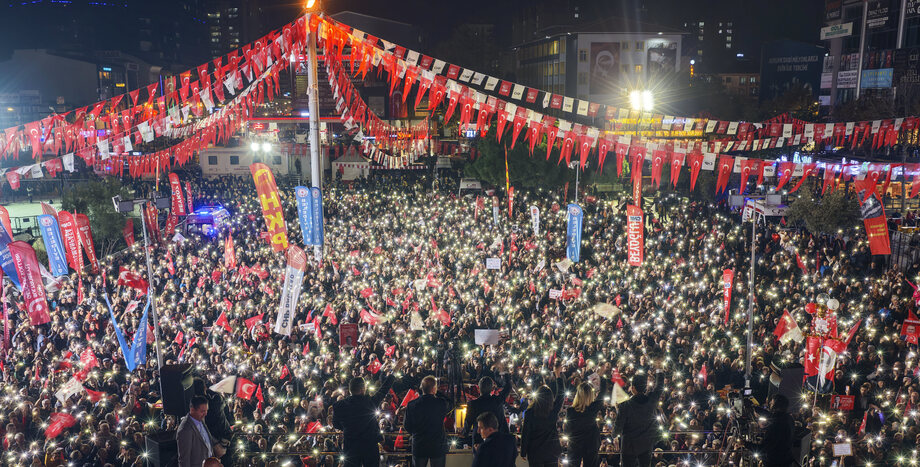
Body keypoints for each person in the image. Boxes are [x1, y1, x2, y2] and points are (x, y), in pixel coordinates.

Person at [333, 358, 406, 467]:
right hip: (370, 446)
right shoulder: (370, 402)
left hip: (350, 445)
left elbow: (336, 424)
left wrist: (348, 428)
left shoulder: (339, 405)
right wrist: (395, 369)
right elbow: (384, 388)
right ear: (363, 389)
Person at [613, 368, 665, 467]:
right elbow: (659, 387)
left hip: (628, 446)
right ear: (645, 387)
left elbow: (618, 425)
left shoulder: (625, 405)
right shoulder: (651, 401)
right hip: (646, 444)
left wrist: (614, 434)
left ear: (633, 388)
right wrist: (659, 370)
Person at [404, 375, 453, 467]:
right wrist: (437, 392)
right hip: (437, 446)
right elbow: (450, 402)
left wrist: (416, 434)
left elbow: (407, 425)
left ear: (422, 388)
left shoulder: (411, 405)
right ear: (434, 389)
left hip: (419, 445)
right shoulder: (441, 403)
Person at [520, 369, 565, 467]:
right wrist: (558, 376)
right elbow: (561, 394)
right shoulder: (553, 410)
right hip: (552, 451)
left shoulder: (530, 412)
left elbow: (526, 433)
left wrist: (523, 451)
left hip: (535, 451)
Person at [566, 377, 609, 467]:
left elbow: (567, 429)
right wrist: (602, 379)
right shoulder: (592, 409)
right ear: (590, 395)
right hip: (591, 444)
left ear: (578, 395)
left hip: (574, 445)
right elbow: (602, 394)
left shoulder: (570, 411)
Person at [464, 372, 512, 446]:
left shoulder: (472, 404)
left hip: (478, 440)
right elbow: (508, 388)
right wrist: (506, 376)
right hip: (497, 439)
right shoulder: (497, 401)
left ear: (479, 389)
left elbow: (468, 422)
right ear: (492, 388)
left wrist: (465, 433)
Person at [747, 394, 795, 466]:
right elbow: (771, 415)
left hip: (775, 463)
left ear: (776, 405)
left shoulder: (776, 424)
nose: (770, 404)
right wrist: (756, 408)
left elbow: (763, 448)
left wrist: (745, 444)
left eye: (772, 403)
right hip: (786, 460)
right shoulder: (788, 418)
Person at [177, 396, 226, 467]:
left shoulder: (200, 419)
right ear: (192, 410)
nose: (206, 414)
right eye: (203, 411)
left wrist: (216, 444)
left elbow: (205, 437)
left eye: (207, 410)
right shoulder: (185, 429)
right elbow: (184, 459)